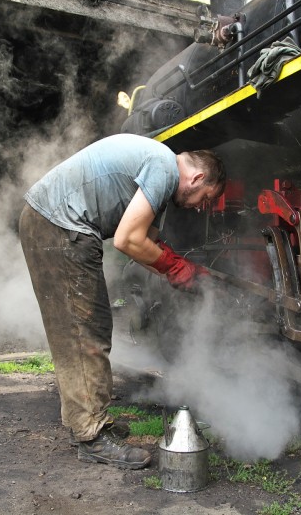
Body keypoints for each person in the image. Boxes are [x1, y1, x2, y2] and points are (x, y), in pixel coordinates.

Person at [19, 133, 226, 470]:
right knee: (84, 334)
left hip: (56, 224)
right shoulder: (163, 168)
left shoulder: (158, 176)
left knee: (92, 328)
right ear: (198, 177)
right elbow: (127, 240)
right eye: (206, 197)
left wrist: (180, 273)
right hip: (59, 227)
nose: (201, 205)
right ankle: (90, 436)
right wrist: (175, 267)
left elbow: (147, 244)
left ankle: (89, 420)